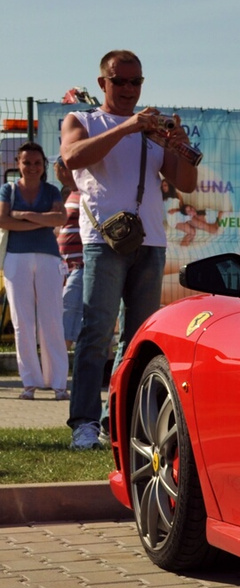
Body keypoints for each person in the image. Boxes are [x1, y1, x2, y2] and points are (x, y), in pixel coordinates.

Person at [60, 49, 199, 450]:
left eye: (135, 82)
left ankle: (118, 421)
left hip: (150, 241)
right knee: (96, 332)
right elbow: (71, 158)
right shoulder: (82, 120)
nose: (127, 89)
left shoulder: (152, 129)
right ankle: (83, 422)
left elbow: (185, 183)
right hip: (103, 241)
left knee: (138, 340)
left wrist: (179, 143)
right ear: (102, 82)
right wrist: (126, 128)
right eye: (119, 81)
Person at [0, 142, 69, 399]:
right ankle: (29, 383)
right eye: (26, 162)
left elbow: (59, 219)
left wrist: (25, 215)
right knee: (22, 322)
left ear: (43, 166)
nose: (31, 167)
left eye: (36, 163)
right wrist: (41, 221)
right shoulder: (8, 190)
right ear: (18, 164)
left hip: (49, 259)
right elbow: (3, 219)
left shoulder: (51, 190)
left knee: (51, 319)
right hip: (15, 259)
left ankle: (59, 384)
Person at [54, 158, 85, 350]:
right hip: (67, 265)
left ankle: (61, 363)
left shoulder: (84, 192)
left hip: (81, 264)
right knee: (71, 312)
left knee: (68, 311)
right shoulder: (72, 194)